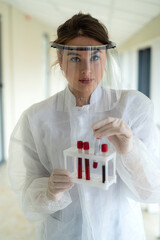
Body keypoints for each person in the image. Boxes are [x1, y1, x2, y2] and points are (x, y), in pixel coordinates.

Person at [8, 12, 160, 240]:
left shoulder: (133, 107)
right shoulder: (37, 118)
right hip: (64, 232)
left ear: (106, 58)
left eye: (96, 58)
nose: (87, 70)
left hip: (118, 230)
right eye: (75, 58)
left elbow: (151, 191)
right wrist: (49, 192)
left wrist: (130, 149)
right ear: (60, 60)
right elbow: (28, 195)